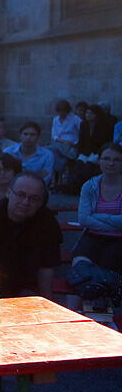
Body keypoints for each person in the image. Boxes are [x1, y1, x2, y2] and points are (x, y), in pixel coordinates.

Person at [0, 171, 61, 298]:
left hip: (23, 288)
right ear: (8, 193)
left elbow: (46, 269)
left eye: (34, 198)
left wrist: (47, 304)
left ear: (41, 202)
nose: (25, 202)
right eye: (20, 195)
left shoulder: (48, 223)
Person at [74, 144, 122, 274]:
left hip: (119, 239)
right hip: (92, 236)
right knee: (80, 268)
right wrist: (115, 224)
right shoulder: (89, 186)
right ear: (99, 160)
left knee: (107, 267)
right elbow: (83, 219)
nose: (111, 163)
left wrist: (98, 216)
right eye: (106, 158)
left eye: (117, 159)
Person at [50, 99, 82, 175]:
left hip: (71, 145)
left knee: (53, 151)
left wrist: (75, 143)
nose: (61, 113)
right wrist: (63, 141)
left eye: (63, 111)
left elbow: (82, 131)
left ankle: (60, 172)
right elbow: (54, 135)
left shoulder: (75, 119)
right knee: (51, 151)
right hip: (59, 143)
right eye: (59, 111)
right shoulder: (55, 119)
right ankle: (59, 171)